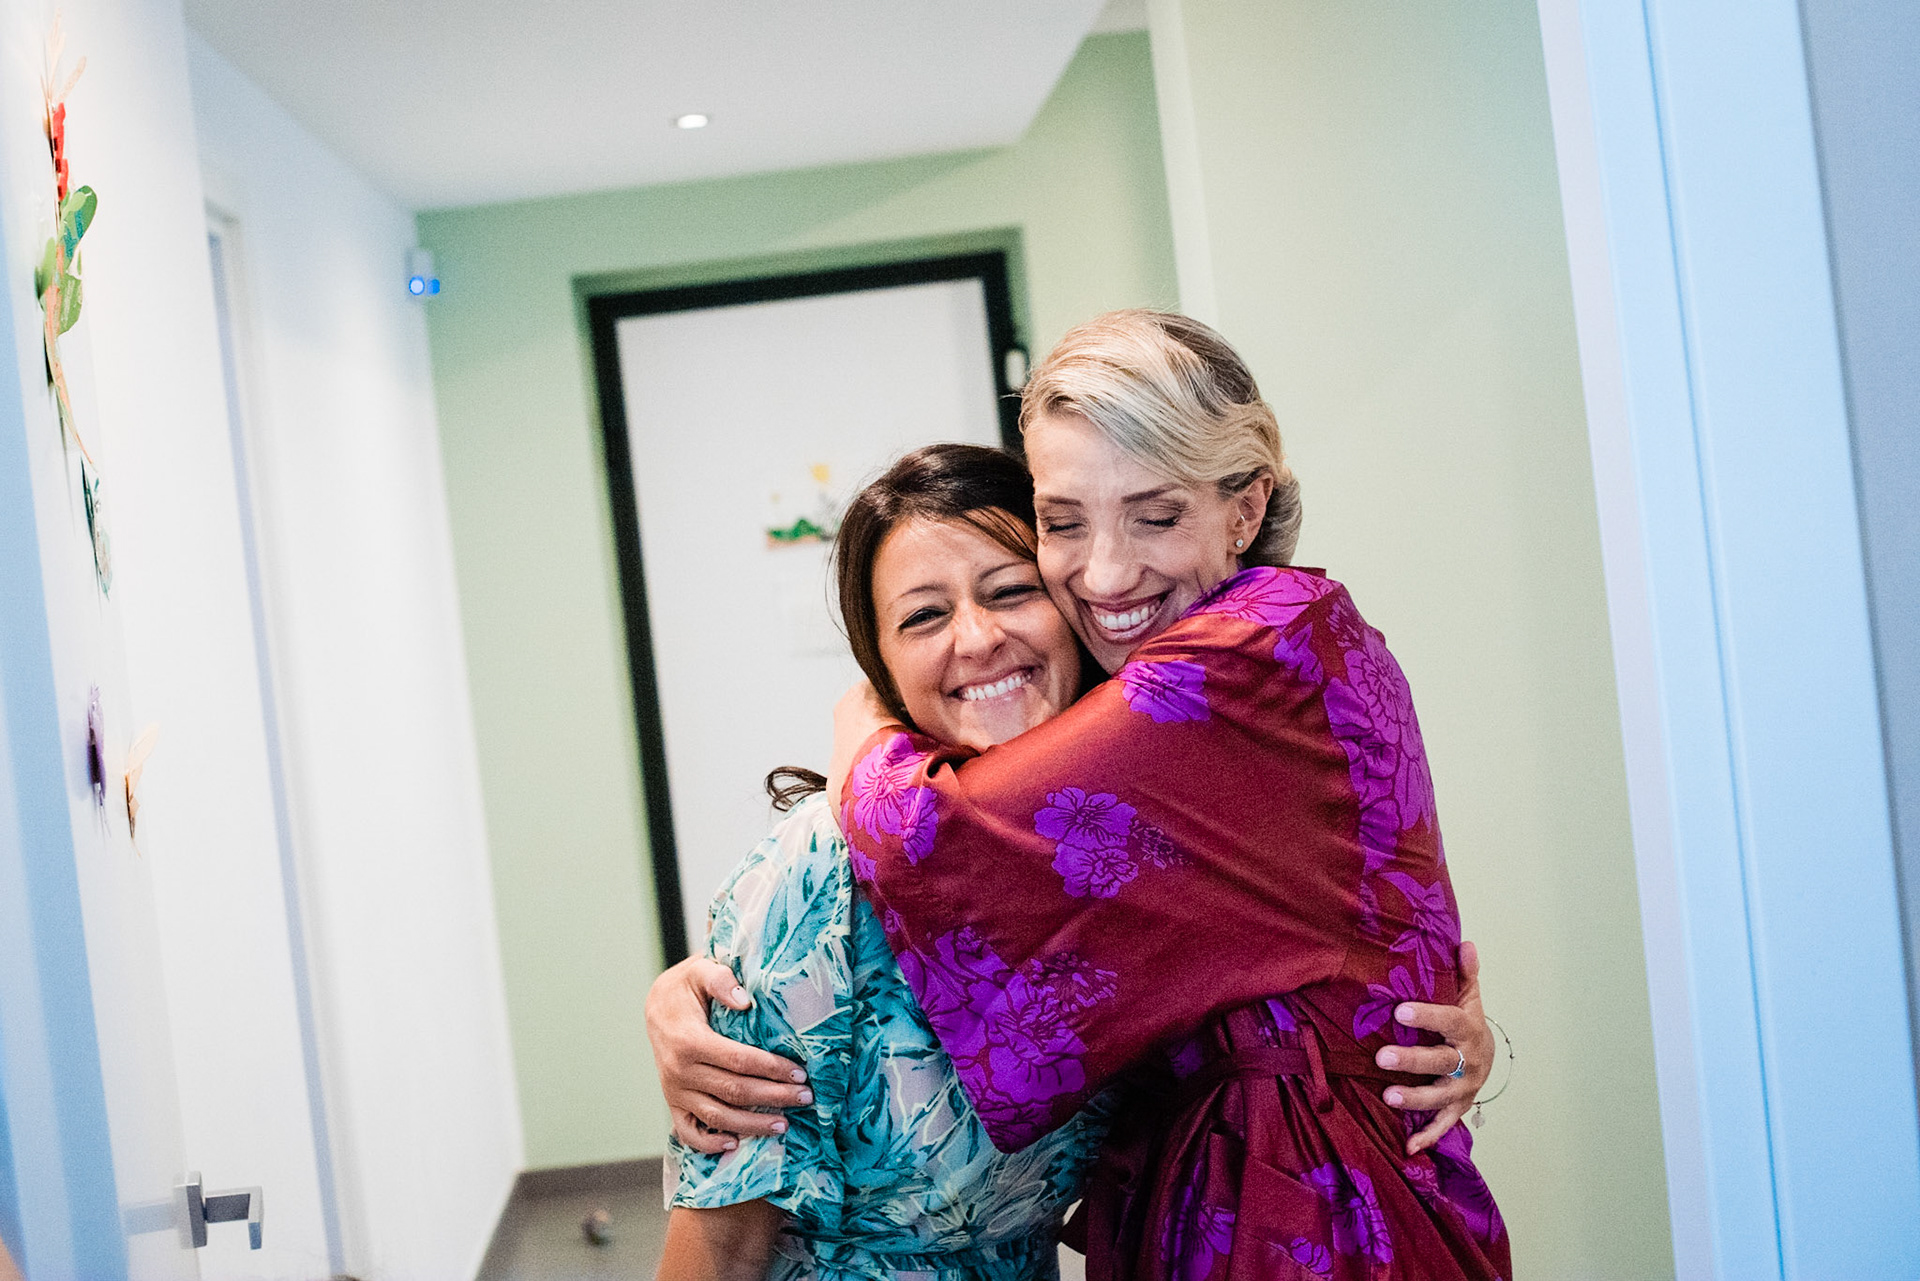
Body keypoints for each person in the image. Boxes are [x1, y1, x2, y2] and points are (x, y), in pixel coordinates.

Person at [817, 312, 1508, 1280]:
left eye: (1156, 516)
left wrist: (862, 724)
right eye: (1064, 523)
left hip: (1307, 1211)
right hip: (1264, 1180)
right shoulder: (1221, 656)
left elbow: (930, 836)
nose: (1104, 573)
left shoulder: (1247, 652)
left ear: (1245, 506)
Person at [656, 445, 1118, 1281]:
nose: (978, 637)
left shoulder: (1123, 848)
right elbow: (722, 1242)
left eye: (1010, 590)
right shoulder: (822, 874)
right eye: (924, 616)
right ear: (883, 670)